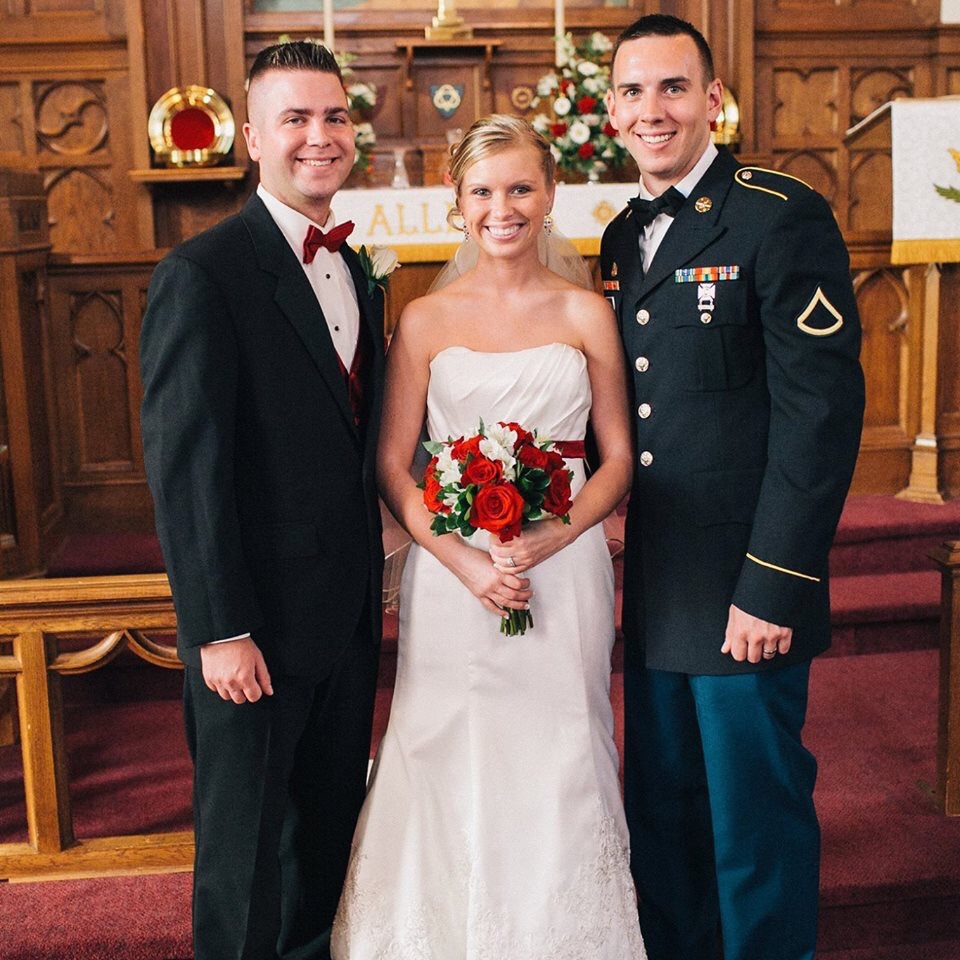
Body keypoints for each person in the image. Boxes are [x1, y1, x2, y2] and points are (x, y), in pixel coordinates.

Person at [331, 114, 646, 958]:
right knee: (443, 738)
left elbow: (618, 460)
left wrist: (553, 538)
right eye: (482, 191)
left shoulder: (587, 313)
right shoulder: (425, 319)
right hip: (452, 572)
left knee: (561, 741)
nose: (501, 209)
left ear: (550, 195)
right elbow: (392, 466)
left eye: (519, 189)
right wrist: (467, 563)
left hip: (564, 567)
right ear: (457, 201)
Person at [601, 14, 865, 960]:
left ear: (714, 100)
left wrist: (774, 582)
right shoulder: (622, 235)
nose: (653, 109)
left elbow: (819, 414)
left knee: (755, 826)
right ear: (611, 110)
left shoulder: (777, 214)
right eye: (633, 91)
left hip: (744, 586)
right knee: (665, 821)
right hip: (659, 586)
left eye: (674, 87)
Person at [139, 40, 384, 960]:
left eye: (334, 116)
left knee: (323, 845)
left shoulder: (358, 272)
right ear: (252, 137)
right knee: (242, 861)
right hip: (255, 628)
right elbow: (187, 470)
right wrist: (220, 629)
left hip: (344, 620)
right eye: (295, 118)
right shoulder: (204, 273)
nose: (320, 136)